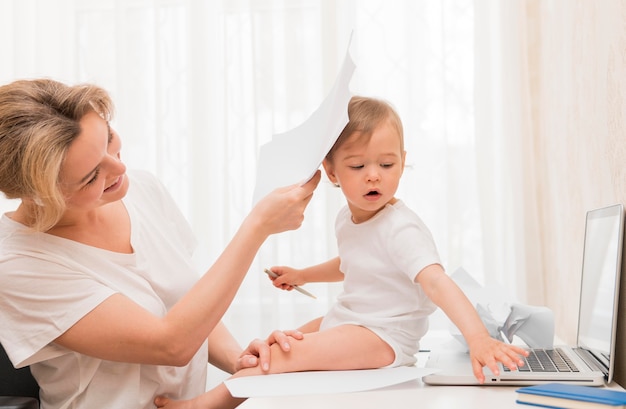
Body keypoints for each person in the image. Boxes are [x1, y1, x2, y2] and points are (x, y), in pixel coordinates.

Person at [153, 96, 529, 409]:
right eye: (358, 165)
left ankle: (202, 405)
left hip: (384, 335)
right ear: (331, 173)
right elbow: (352, 265)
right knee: (273, 343)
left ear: (402, 160)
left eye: (387, 164)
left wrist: (478, 338)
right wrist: (302, 275)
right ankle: (226, 393)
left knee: (283, 355)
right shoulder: (347, 220)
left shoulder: (402, 227)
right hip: (351, 319)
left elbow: (435, 281)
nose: (373, 175)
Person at [0, 78, 321, 409]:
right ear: (39, 194)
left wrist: (241, 361)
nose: (119, 166)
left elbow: (187, 306)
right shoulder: (16, 263)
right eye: (92, 175)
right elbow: (170, 344)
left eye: (109, 139)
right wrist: (257, 227)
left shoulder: (141, 189)